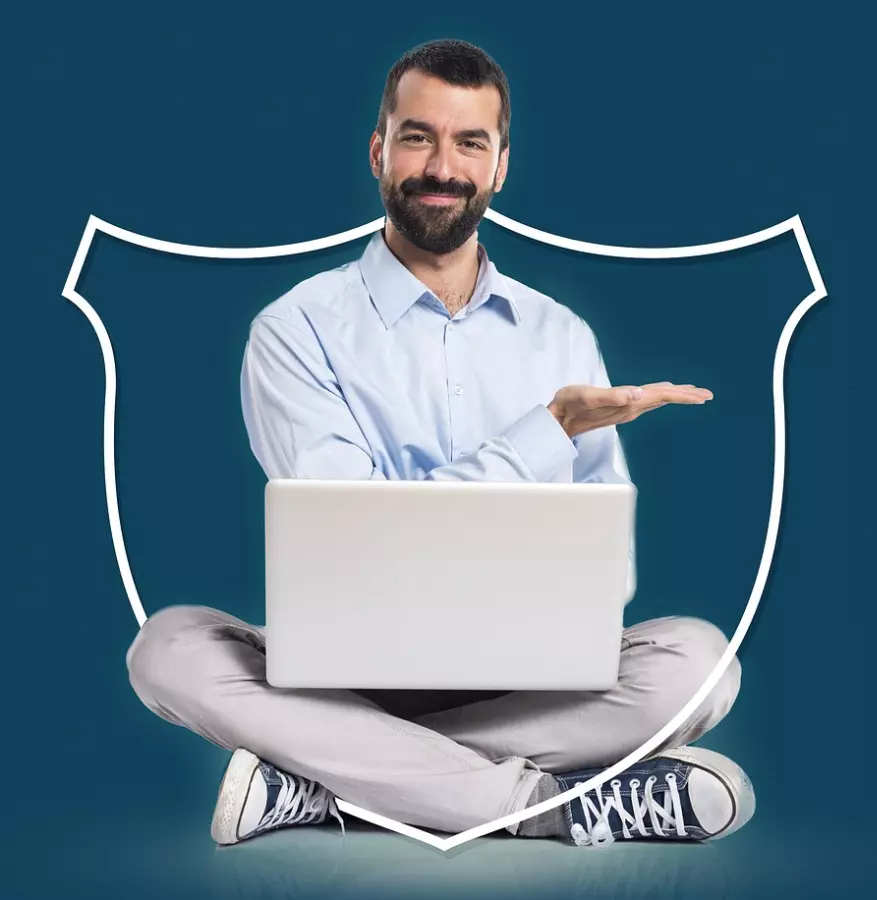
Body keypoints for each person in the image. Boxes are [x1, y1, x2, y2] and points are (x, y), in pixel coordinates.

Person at [126, 38, 754, 848]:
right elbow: (352, 537)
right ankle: (557, 807)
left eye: (470, 143)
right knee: (168, 648)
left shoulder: (562, 335)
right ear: (379, 152)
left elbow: (608, 569)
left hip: (522, 681)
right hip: (341, 678)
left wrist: (546, 607)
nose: (442, 166)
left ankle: (326, 787)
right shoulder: (295, 328)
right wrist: (548, 433)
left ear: (500, 168)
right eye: (418, 137)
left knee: (702, 663)